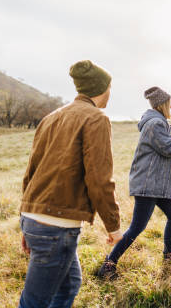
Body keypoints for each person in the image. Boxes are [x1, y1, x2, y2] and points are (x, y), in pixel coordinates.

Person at [18, 60, 123, 308]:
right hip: (56, 226)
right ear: (101, 88)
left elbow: (30, 171)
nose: (111, 92)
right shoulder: (97, 118)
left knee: (69, 285)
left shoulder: (51, 117)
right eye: (110, 86)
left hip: (34, 218)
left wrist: (26, 221)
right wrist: (114, 226)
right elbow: (99, 179)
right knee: (34, 302)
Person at [98, 86, 171, 279]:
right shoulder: (155, 124)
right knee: (137, 226)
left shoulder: (159, 122)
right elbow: (169, 148)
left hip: (155, 184)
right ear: (162, 105)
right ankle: (109, 265)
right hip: (148, 184)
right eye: (169, 103)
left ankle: (169, 256)